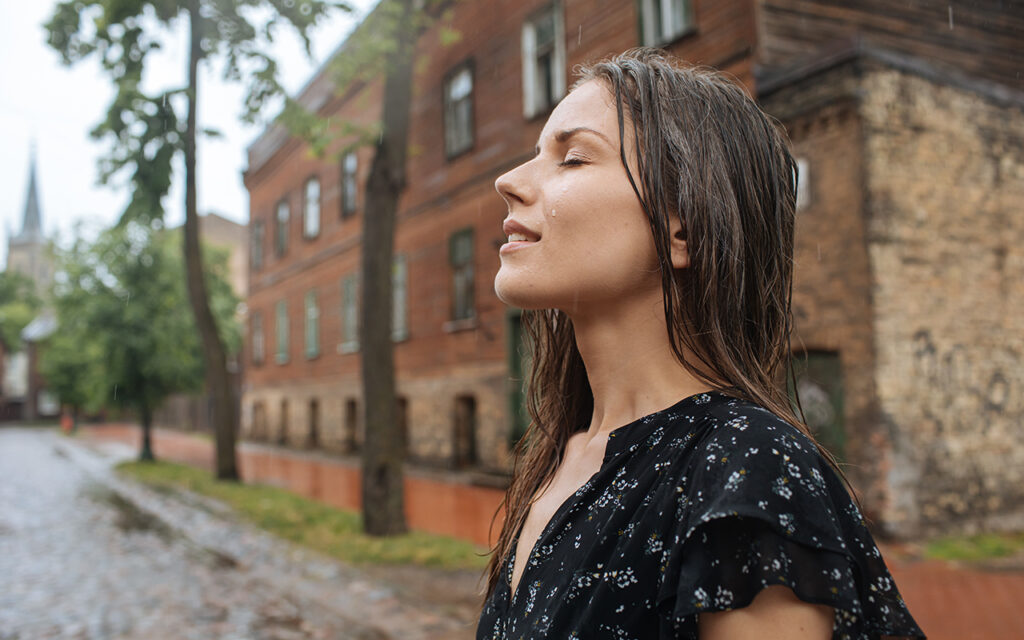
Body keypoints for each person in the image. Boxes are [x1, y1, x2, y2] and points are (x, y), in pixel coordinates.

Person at [477, 48, 925, 640]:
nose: (508, 181)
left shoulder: (746, 470)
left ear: (681, 227)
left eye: (573, 157)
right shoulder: (560, 456)